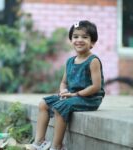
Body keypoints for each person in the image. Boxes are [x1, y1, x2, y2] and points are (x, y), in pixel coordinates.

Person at [31, 20, 105, 150]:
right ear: (71, 40)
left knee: (60, 107)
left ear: (92, 42)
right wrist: (63, 92)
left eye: (84, 37)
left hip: (89, 98)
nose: (79, 40)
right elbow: (63, 82)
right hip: (71, 96)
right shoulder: (70, 61)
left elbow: (96, 87)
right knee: (44, 103)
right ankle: (39, 142)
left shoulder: (93, 61)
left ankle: (57, 146)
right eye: (75, 37)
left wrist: (75, 94)